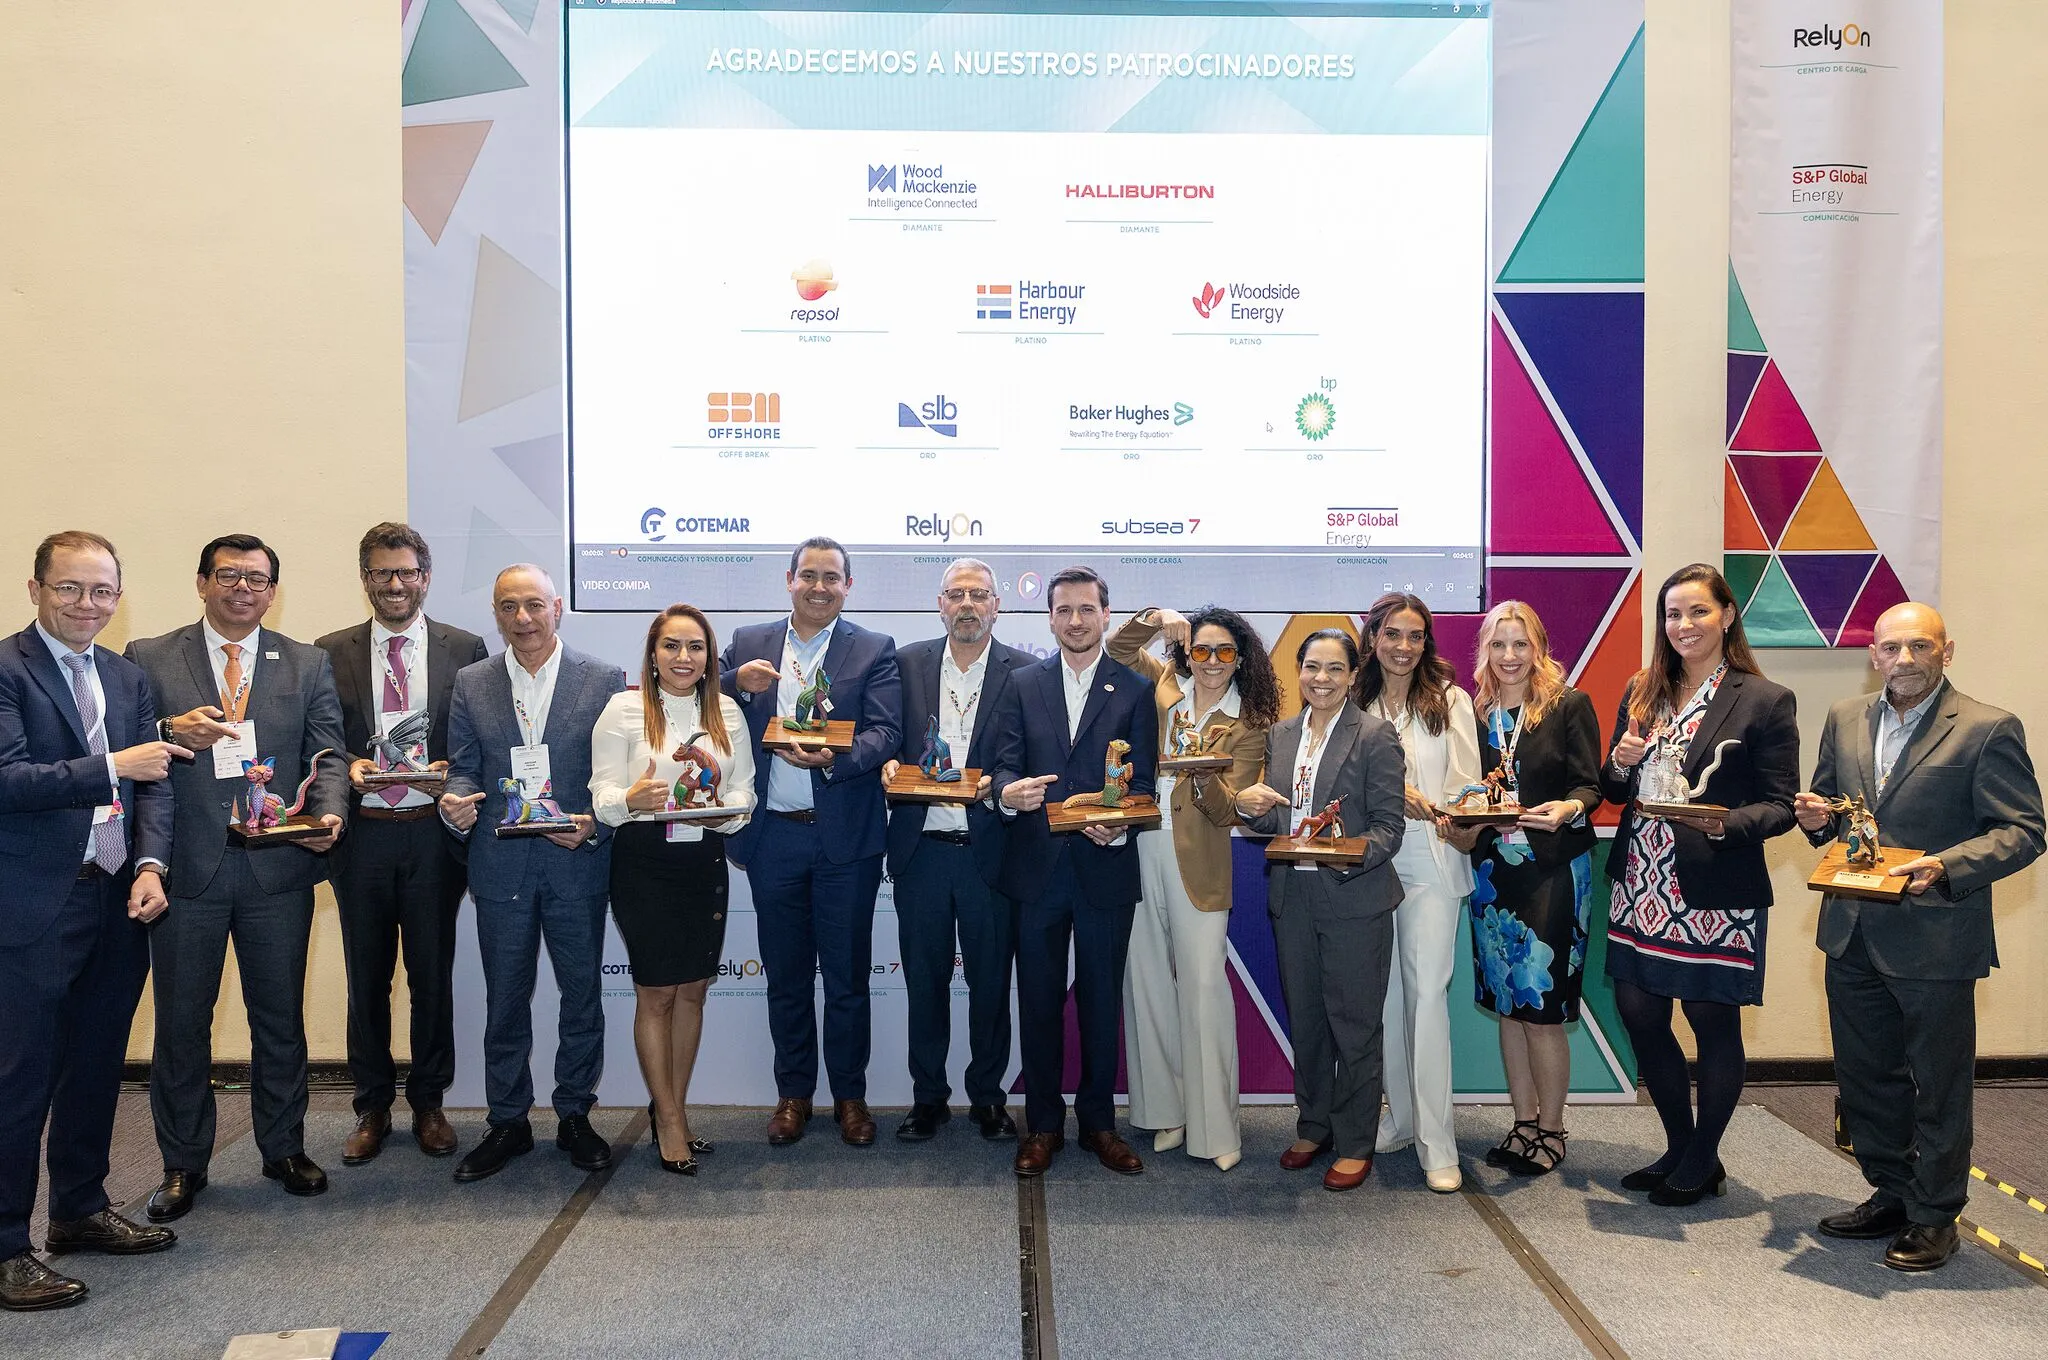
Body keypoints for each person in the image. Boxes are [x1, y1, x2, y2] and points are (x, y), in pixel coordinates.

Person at [1795, 602, 2043, 1272]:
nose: (1903, 660)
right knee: (1867, 1075)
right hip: (1851, 929)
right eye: (1889, 648)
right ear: (1872, 654)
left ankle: (1936, 1216)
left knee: (1936, 1082)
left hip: (1936, 936)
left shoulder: (1989, 728)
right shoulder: (1845, 718)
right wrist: (1816, 818)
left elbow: (2024, 830)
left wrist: (1949, 865)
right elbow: (1833, 816)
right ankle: (1893, 1192)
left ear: (1946, 651)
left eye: (1918, 647)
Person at [128, 534, 348, 1220]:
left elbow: (330, 755)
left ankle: (283, 1148)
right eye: (229, 576)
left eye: (257, 579)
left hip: (277, 870)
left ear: (273, 591)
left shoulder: (307, 663)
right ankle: (182, 1164)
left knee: (279, 1019)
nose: (243, 589)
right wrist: (169, 725)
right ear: (201, 583)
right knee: (182, 1024)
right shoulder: (151, 657)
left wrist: (329, 815)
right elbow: (134, 742)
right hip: (185, 869)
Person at [0, 533, 181, 1312]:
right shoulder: (6, 670)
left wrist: (150, 866)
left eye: (102, 591)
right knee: (20, 1078)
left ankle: (78, 1209)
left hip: (117, 893)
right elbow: (7, 779)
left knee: (97, 1063)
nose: (87, 605)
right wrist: (114, 765)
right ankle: (8, 1245)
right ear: (35, 588)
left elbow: (158, 789)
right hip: (36, 900)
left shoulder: (125, 674)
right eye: (71, 589)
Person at [1600, 564, 1799, 1205]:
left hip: (1713, 886)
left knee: (1712, 1021)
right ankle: (1681, 1147)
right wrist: (1619, 765)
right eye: (1672, 614)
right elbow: (1613, 789)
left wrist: (1722, 823)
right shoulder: (1643, 688)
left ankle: (1703, 1154)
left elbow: (1780, 804)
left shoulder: (1764, 699)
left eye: (1697, 612)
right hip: (1641, 882)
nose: (1683, 626)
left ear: (1727, 616)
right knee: (1639, 1014)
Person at [438, 564, 625, 1182]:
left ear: (558, 608)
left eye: (534, 606)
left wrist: (596, 822)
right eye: (509, 608)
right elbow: (464, 766)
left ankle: (574, 1113)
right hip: (500, 863)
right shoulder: (472, 682)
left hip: (575, 862)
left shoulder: (603, 680)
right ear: (496, 614)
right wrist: (455, 801)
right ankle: (509, 1121)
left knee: (582, 998)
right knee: (506, 1000)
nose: (522, 619)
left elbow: (613, 777)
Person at [719, 538, 901, 1147]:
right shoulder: (748, 645)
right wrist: (735, 684)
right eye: (809, 576)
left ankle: (850, 1097)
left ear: (848, 586)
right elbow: (697, 698)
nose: (819, 586)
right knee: (787, 979)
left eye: (832, 577)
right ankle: (793, 1094)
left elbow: (885, 731)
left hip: (844, 841)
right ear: (789, 579)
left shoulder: (874, 648)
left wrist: (836, 759)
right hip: (773, 840)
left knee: (848, 979)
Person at [315, 523, 487, 1166]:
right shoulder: (327, 651)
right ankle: (371, 1105)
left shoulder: (464, 649)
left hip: (430, 836)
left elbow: (475, 738)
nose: (396, 584)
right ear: (366, 579)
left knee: (431, 974)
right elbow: (321, 739)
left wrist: (453, 771)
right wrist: (349, 765)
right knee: (366, 977)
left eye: (407, 572)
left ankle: (430, 1102)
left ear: (426, 577)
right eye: (383, 573)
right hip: (361, 837)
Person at [988, 566, 1158, 1177]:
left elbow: (1141, 783)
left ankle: (1098, 1124)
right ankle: (1042, 1125)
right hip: (1035, 871)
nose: (1076, 621)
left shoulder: (1135, 690)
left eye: (1087, 609)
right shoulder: (1020, 684)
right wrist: (1010, 794)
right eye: (1064, 610)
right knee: (1035, 1002)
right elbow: (1002, 766)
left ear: (1106, 615)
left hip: (1103, 869)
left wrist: (1121, 825)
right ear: (1050, 617)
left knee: (1100, 1003)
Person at [1107, 603, 1278, 1173]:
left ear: (1240, 659)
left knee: (1203, 991)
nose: (1210, 662)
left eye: (1224, 652)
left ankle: (1215, 1127)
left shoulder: (1249, 723)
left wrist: (1201, 773)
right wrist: (1155, 617)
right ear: (1186, 652)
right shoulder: (1164, 684)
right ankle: (1166, 1112)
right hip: (1139, 847)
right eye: (1200, 650)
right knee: (1147, 982)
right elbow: (1115, 652)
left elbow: (1230, 809)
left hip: (1199, 860)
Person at [1235, 629, 1405, 1192]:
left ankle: (1355, 1140)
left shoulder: (1376, 736)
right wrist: (1247, 805)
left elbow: (1389, 829)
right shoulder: (1280, 736)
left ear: (1354, 675)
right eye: (1312, 667)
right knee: (1307, 1021)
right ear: (1299, 670)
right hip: (1293, 897)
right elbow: (1273, 822)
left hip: (1354, 899)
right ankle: (1314, 1125)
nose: (1322, 678)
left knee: (1353, 1026)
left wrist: (1344, 856)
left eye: (1335, 668)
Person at [590, 605, 755, 1175]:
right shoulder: (623, 710)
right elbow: (602, 795)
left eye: (695, 647)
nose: (684, 658)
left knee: (693, 992)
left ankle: (675, 1110)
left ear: (710, 657)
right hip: (645, 864)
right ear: (653, 654)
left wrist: (725, 817)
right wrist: (628, 800)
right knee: (656, 994)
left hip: (703, 861)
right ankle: (668, 1119)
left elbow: (744, 794)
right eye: (672, 647)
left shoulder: (727, 711)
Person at [1443, 601, 1601, 1179]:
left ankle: (1553, 1128)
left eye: (1520, 645)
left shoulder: (1568, 706)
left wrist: (1570, 806)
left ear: (1539, 649)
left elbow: (1592, 783)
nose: (1509, 657)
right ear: (1484, 652)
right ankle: (1523, 1121)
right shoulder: (1476, 712)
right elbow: (1466, 789)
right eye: (1498, 646)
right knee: (1506, 1005)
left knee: (1543, 1007)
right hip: (1493, 874)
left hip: (1553, 871)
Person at [882, 559, 1033, 1144]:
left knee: (992, 984)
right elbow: (885, 734)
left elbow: (1028, 752)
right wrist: (889, 763)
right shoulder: (905, 663)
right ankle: (928, 1098)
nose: (967, 604)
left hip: (988, 852)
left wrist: (1002, 782)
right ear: (939, 603)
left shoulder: (1023, 671)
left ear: (997, 604)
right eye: (956, 595)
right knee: (925, 981)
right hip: (922, 851)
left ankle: (989, 1098)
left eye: (979, 595)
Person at [1356, 593, 1481, 1194]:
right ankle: (1401, 1119)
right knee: (1385, 1001)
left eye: (1415, 635)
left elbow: (1467, 785)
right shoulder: (1355, 698)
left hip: (1430, 861)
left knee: (1427, 997)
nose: (1403, 647)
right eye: (1392, 634)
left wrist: (1445, 812)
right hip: (1370, 863)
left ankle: (1438, 1141)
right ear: (1373, 636)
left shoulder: (1450, 700)